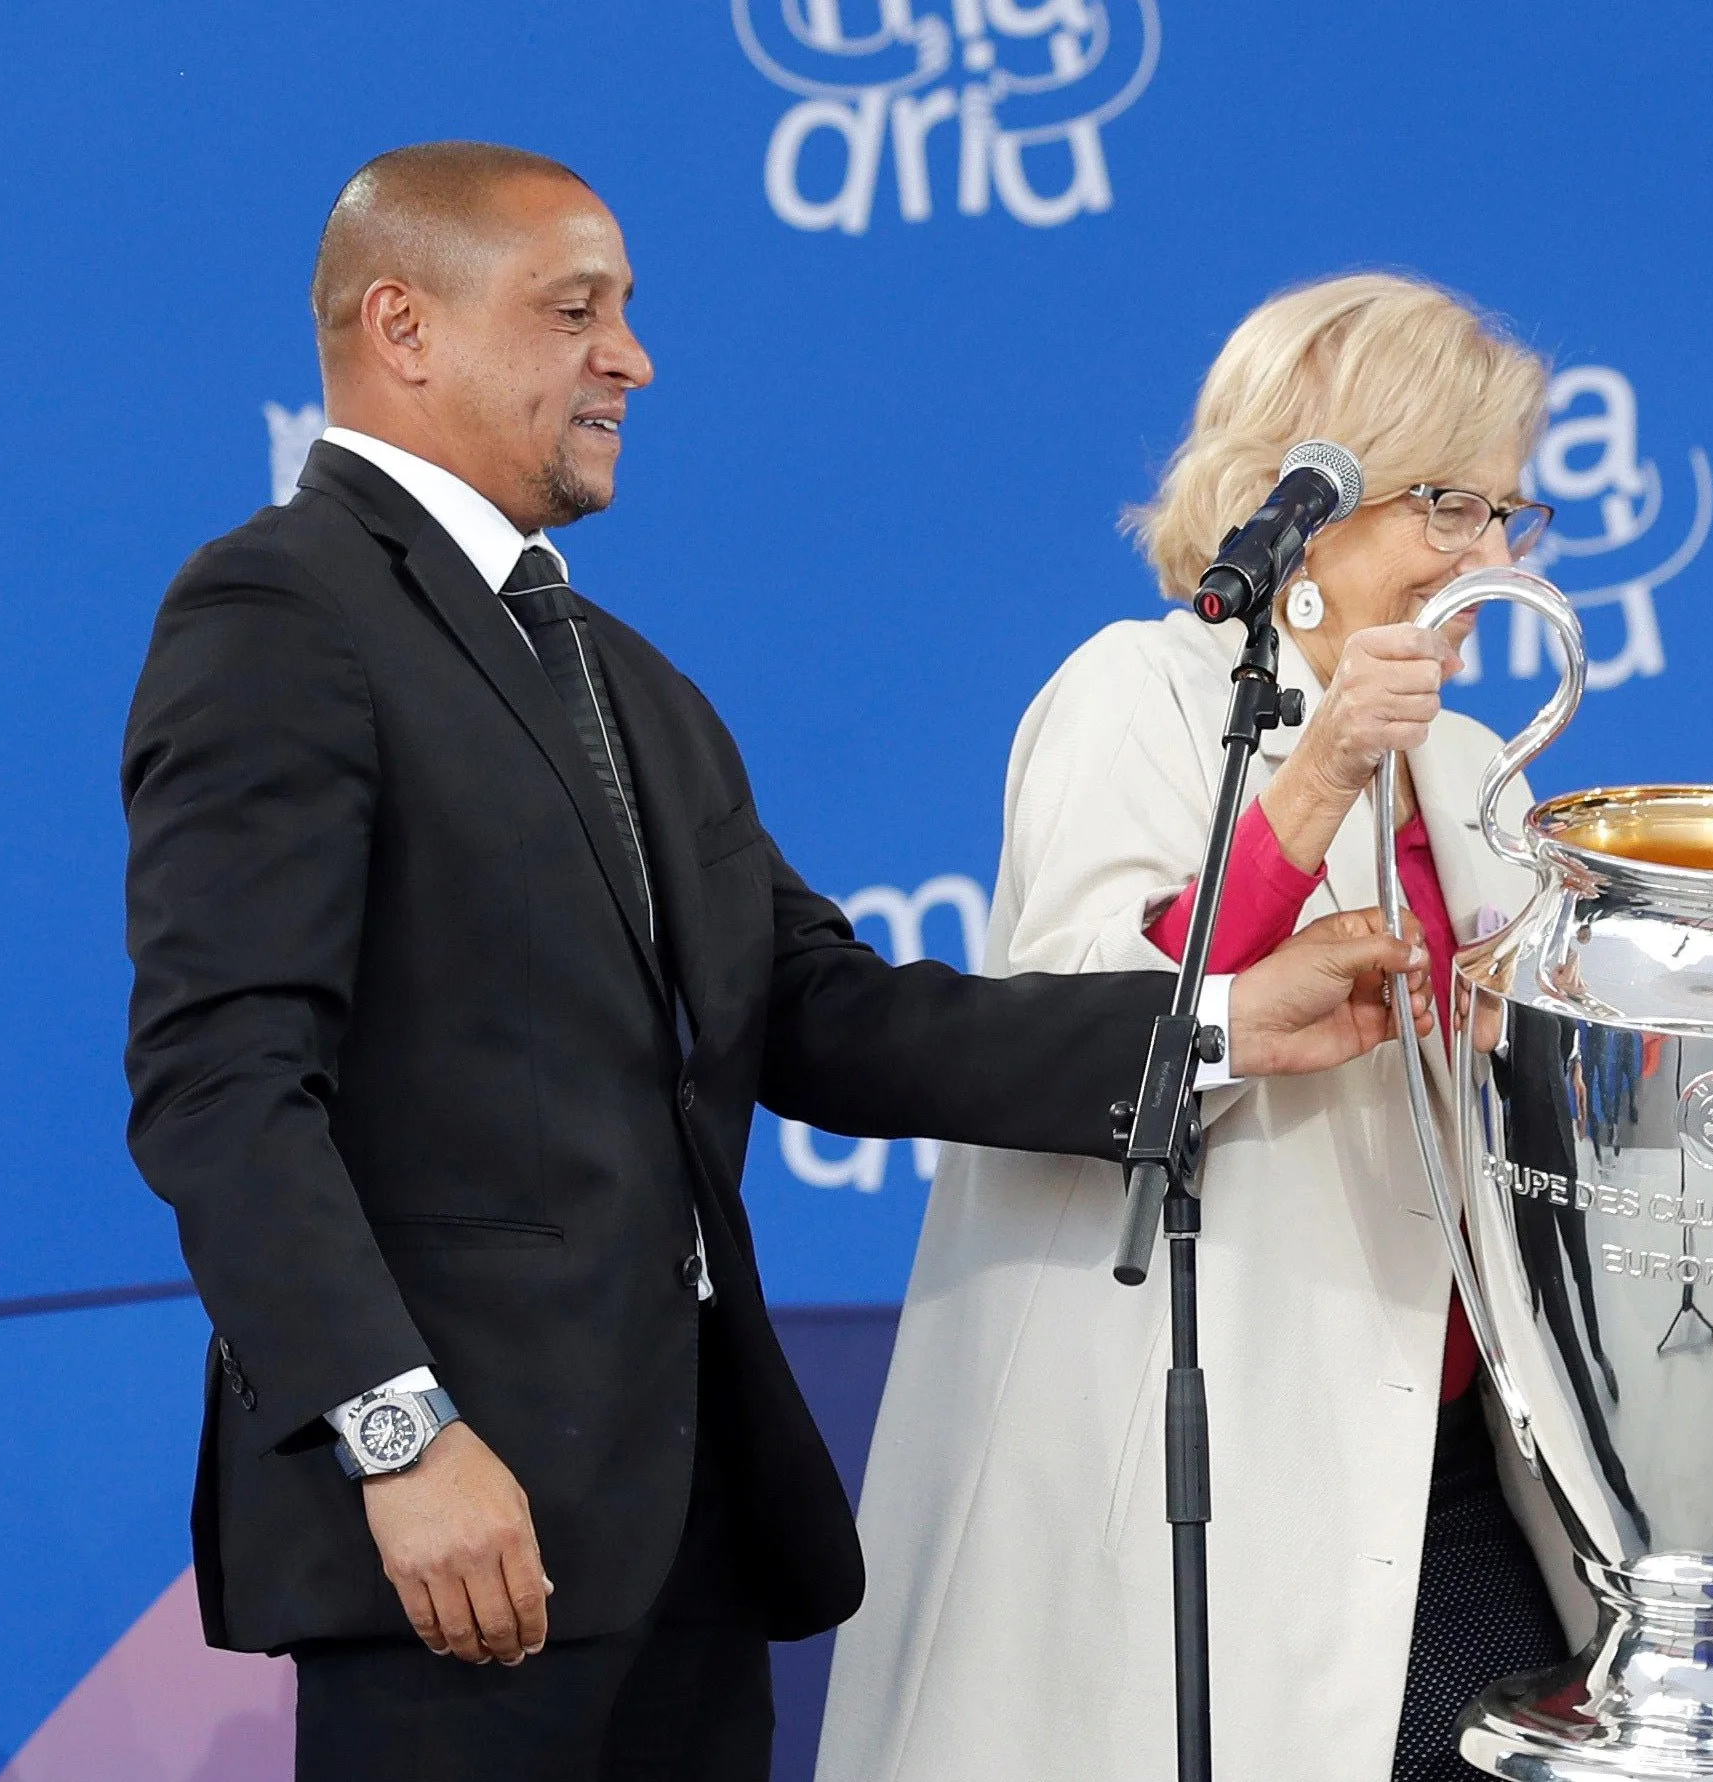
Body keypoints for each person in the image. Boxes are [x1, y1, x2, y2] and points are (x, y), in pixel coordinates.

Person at [119, 143, 1420, 1782]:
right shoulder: (277, 608)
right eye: (574, 308)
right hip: (458, 1542)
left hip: (684, 1546)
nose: (630, 357)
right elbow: (221, 1084)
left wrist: (1215, 1021)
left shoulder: (618, 676)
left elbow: (827, 1015)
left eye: (628, 311)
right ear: (405, 327)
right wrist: (399, 1431)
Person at [816, 273, 1578, 1782]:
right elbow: (1089, 1023)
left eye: (1508, 514)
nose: (1487, 558)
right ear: (1304, 499)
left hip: (1451, 1464)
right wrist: (1317, 776)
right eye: (1447, 505)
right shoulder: (1136, 692)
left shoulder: (1483, 762)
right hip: (1207, 1453)